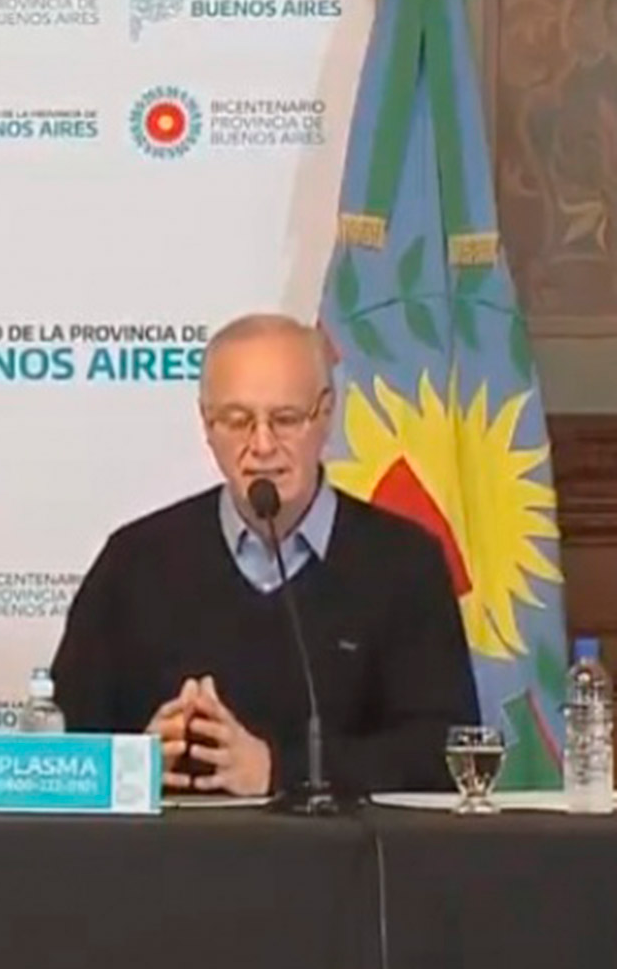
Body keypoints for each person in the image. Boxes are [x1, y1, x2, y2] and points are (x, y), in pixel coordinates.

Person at [50, 313, 479, 797]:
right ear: (207, 425)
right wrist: (134, 761)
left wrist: (279, 770)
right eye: (237, 421)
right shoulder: (135, 562)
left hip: (342, 847)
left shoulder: (403, 563)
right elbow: (60, 753)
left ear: (326, 414)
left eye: (286, 419)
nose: (262, 446)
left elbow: (446, 754)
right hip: (178, 846)